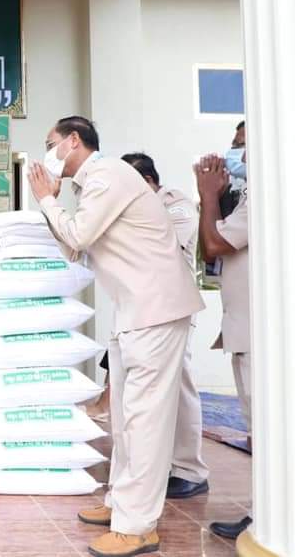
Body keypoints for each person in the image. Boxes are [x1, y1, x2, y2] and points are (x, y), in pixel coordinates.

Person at [27, 116, 204, 557]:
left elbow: (79, 234)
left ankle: (137, 527)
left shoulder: (107, 174)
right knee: (125, 419)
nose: (48, 153)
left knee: (144, 422)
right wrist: (52, 203)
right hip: (135, 311)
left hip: (155, 310)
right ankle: (120, 504)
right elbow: (75, 247)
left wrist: (46, 199)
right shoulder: (92, 184)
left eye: (51, 143)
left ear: (73, 141)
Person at [120, 153, 210, 500]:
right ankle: (163, 465)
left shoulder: (176, 205)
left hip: (174, 309)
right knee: (149, 395)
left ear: (147, 181)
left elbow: (159, 248)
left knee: (181, 388)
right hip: (145, 310)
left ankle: (190, 470)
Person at [195, 132, 252, 540]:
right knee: (257, 427)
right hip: (244, 328)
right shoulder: (247, 195)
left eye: (241, 144)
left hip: (259, 332)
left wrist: (208, 194)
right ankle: (264, 511)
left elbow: (214, 244)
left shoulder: (266, 196)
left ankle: (271, 516)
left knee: (267, 428)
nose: (232, 153)